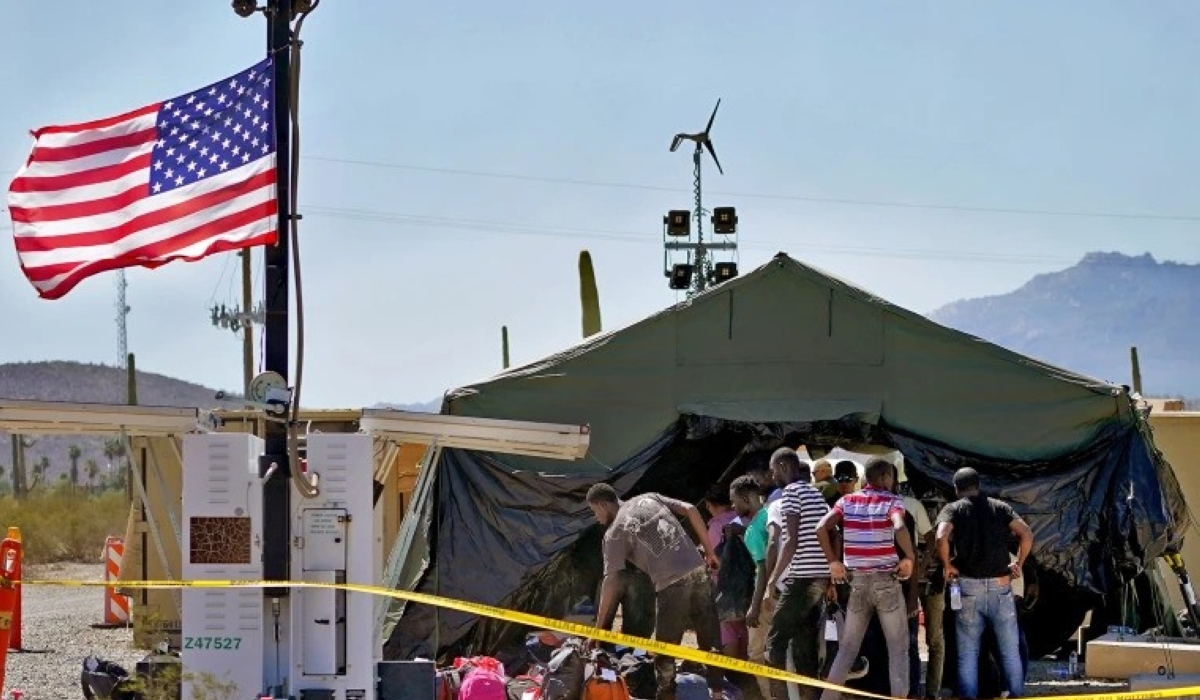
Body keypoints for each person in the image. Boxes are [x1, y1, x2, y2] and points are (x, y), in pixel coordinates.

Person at [588, 484, 724, 699]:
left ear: (603, 504)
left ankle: (667, 696)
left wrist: (597, 629)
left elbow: (611, 581)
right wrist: (709, 552)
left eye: (595, 511)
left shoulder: (614, 533)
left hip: (672, 584)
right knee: (710, 640)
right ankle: (718, 693)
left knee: (665, 653)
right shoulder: (649, 497)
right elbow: (690, 509)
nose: (596, 517)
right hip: (699, 571)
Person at [815, 458, 915, 700]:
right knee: (898, 649)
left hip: (857, 583)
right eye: (891, 477)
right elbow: (899, 527)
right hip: (886, 583)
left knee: (847, 649)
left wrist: (833, 562)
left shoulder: (847, 501)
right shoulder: (892, 501)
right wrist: (910, 557)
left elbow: (821, 527)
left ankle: (829, 697)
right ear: (883, 477)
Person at [935, 468, 1034, 700]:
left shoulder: (953, 509)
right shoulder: (999, 507)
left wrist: (947, 565)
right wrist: (1018, 563)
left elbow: (941, 536)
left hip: (968, 587)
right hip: (1001, 586)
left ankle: (969, 696)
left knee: (967, 652)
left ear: (957, 488)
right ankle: (1016, 695)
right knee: (1010, 651)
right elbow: (1026, 533)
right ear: (979, 485)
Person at [764, 448, 829, 700]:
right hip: (819, 579)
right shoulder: (815, 492)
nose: (772, 476)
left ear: (781, 465)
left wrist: (772, 579)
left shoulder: (790, 492)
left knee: (774, 643)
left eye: (772, 470)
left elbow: (789, 540)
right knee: (805, 649)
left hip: (801, 578)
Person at [731, 475, 772, 700]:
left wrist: (754, 607)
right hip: (783, 591)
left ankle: (771, 696)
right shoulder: (771, 515)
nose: (732, 506)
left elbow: (762, 568)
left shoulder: (754, 529)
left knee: (755, 653)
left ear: (746, 499)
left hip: (765, 597)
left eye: (735, 501)